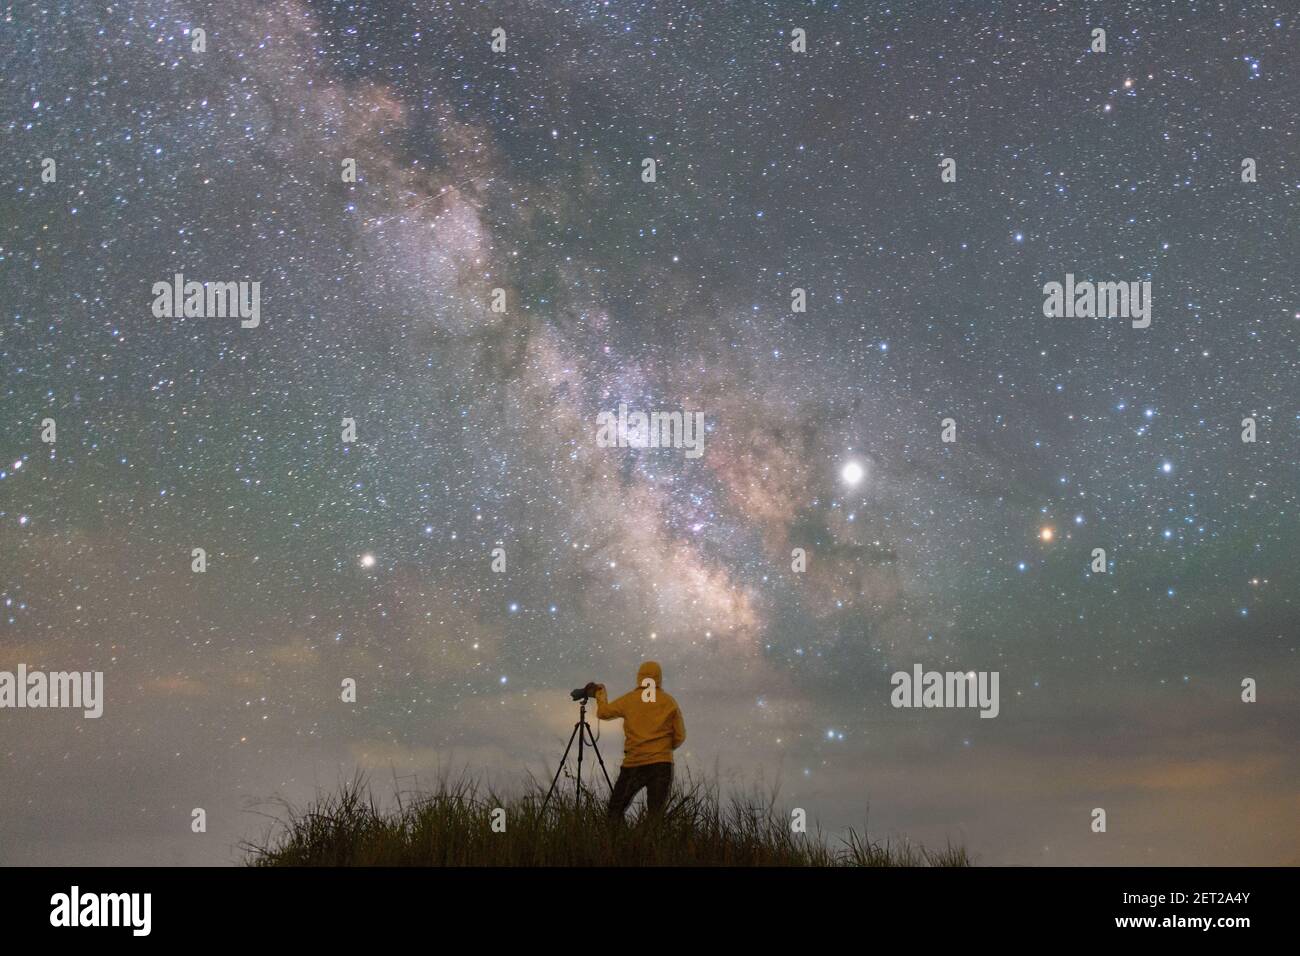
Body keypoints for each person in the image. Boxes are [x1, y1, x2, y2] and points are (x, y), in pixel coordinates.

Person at [585, 661, 685, 821]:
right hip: (661, 764)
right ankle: (650, 845)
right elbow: (679, 736)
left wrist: (600, 695)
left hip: (634, 764)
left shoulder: (629, 700)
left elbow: (603, 713)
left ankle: (618, 843)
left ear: (639, 677)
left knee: (615, 810)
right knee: (655, 816)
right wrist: (663, 749)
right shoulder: (669, 702)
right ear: (659, 678)